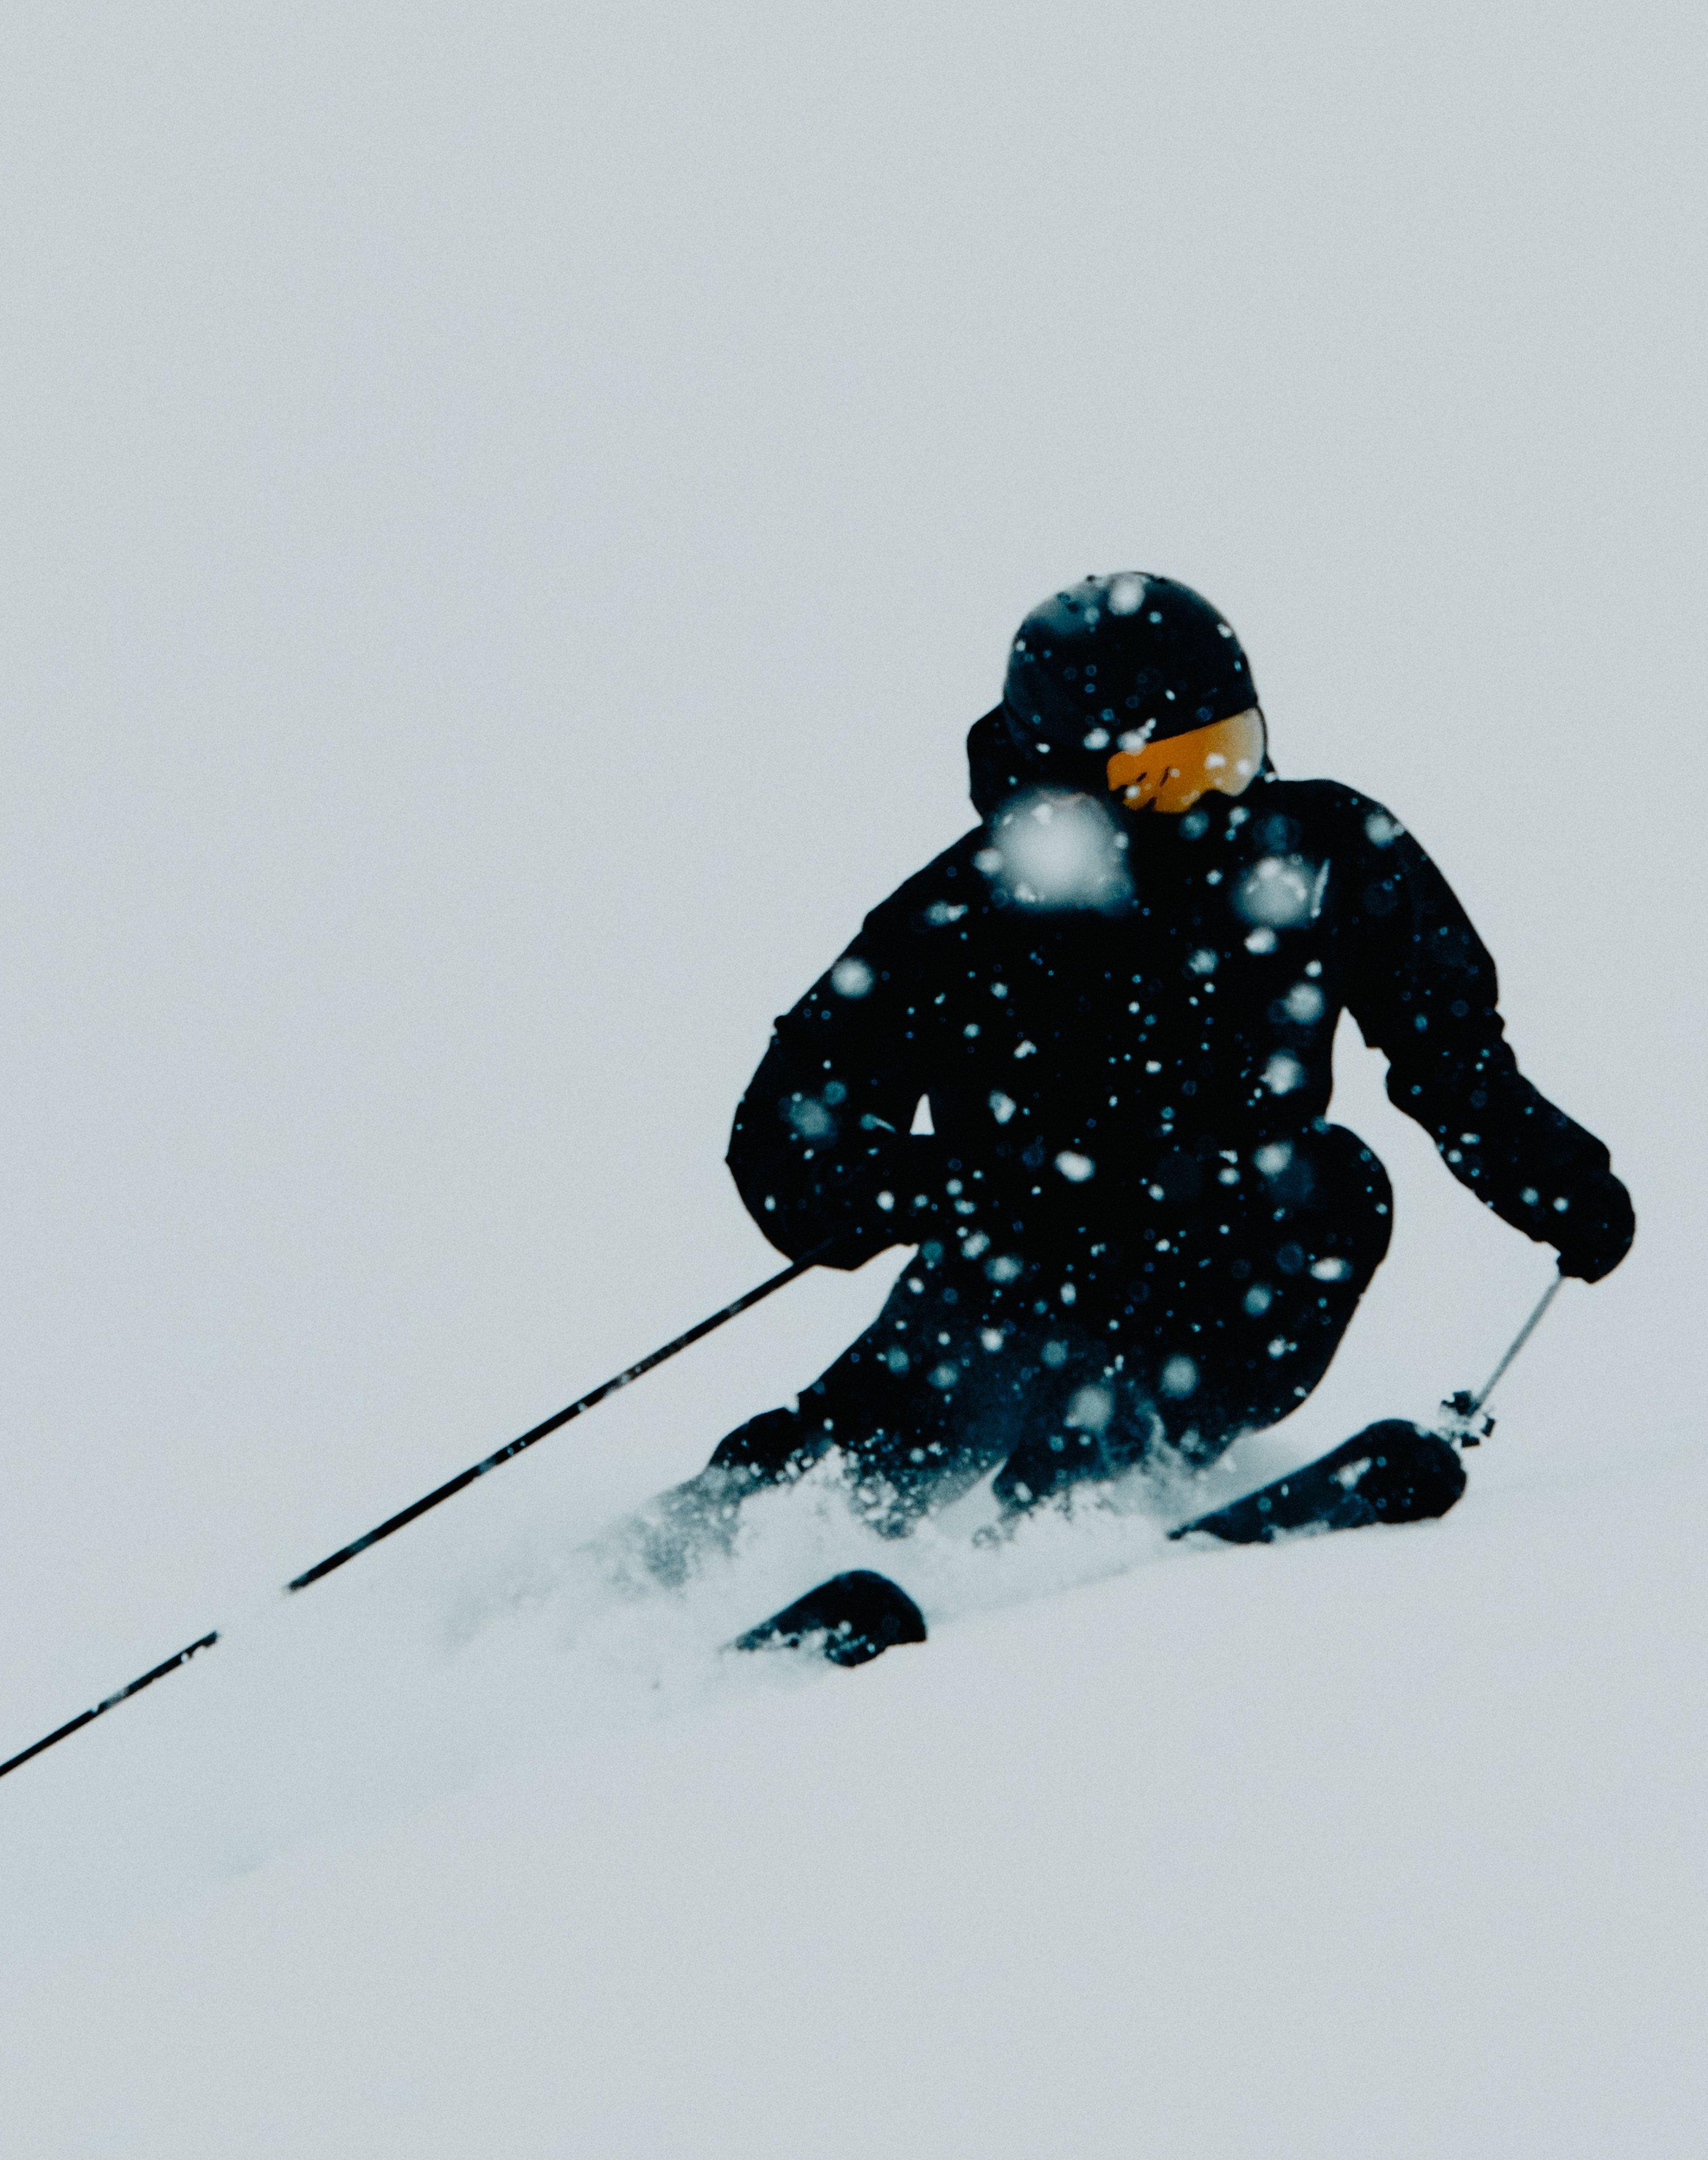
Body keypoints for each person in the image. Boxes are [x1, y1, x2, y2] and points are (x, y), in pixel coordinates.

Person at [624, 574, 1630, 1583]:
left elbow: (1451, 1052)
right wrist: (966, 1182)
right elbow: (785, 1140)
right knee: (845, 1466)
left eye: (1231, 753)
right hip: (1010, 1271)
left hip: (1232, 1248)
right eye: (1175, 774)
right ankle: (626, 1601)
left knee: (1335, 1183)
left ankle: (1081, 1510)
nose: (1219, 799)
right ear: (1077, 779)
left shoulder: (1325, 853)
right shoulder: (969, 911)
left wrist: (1555, 1176)